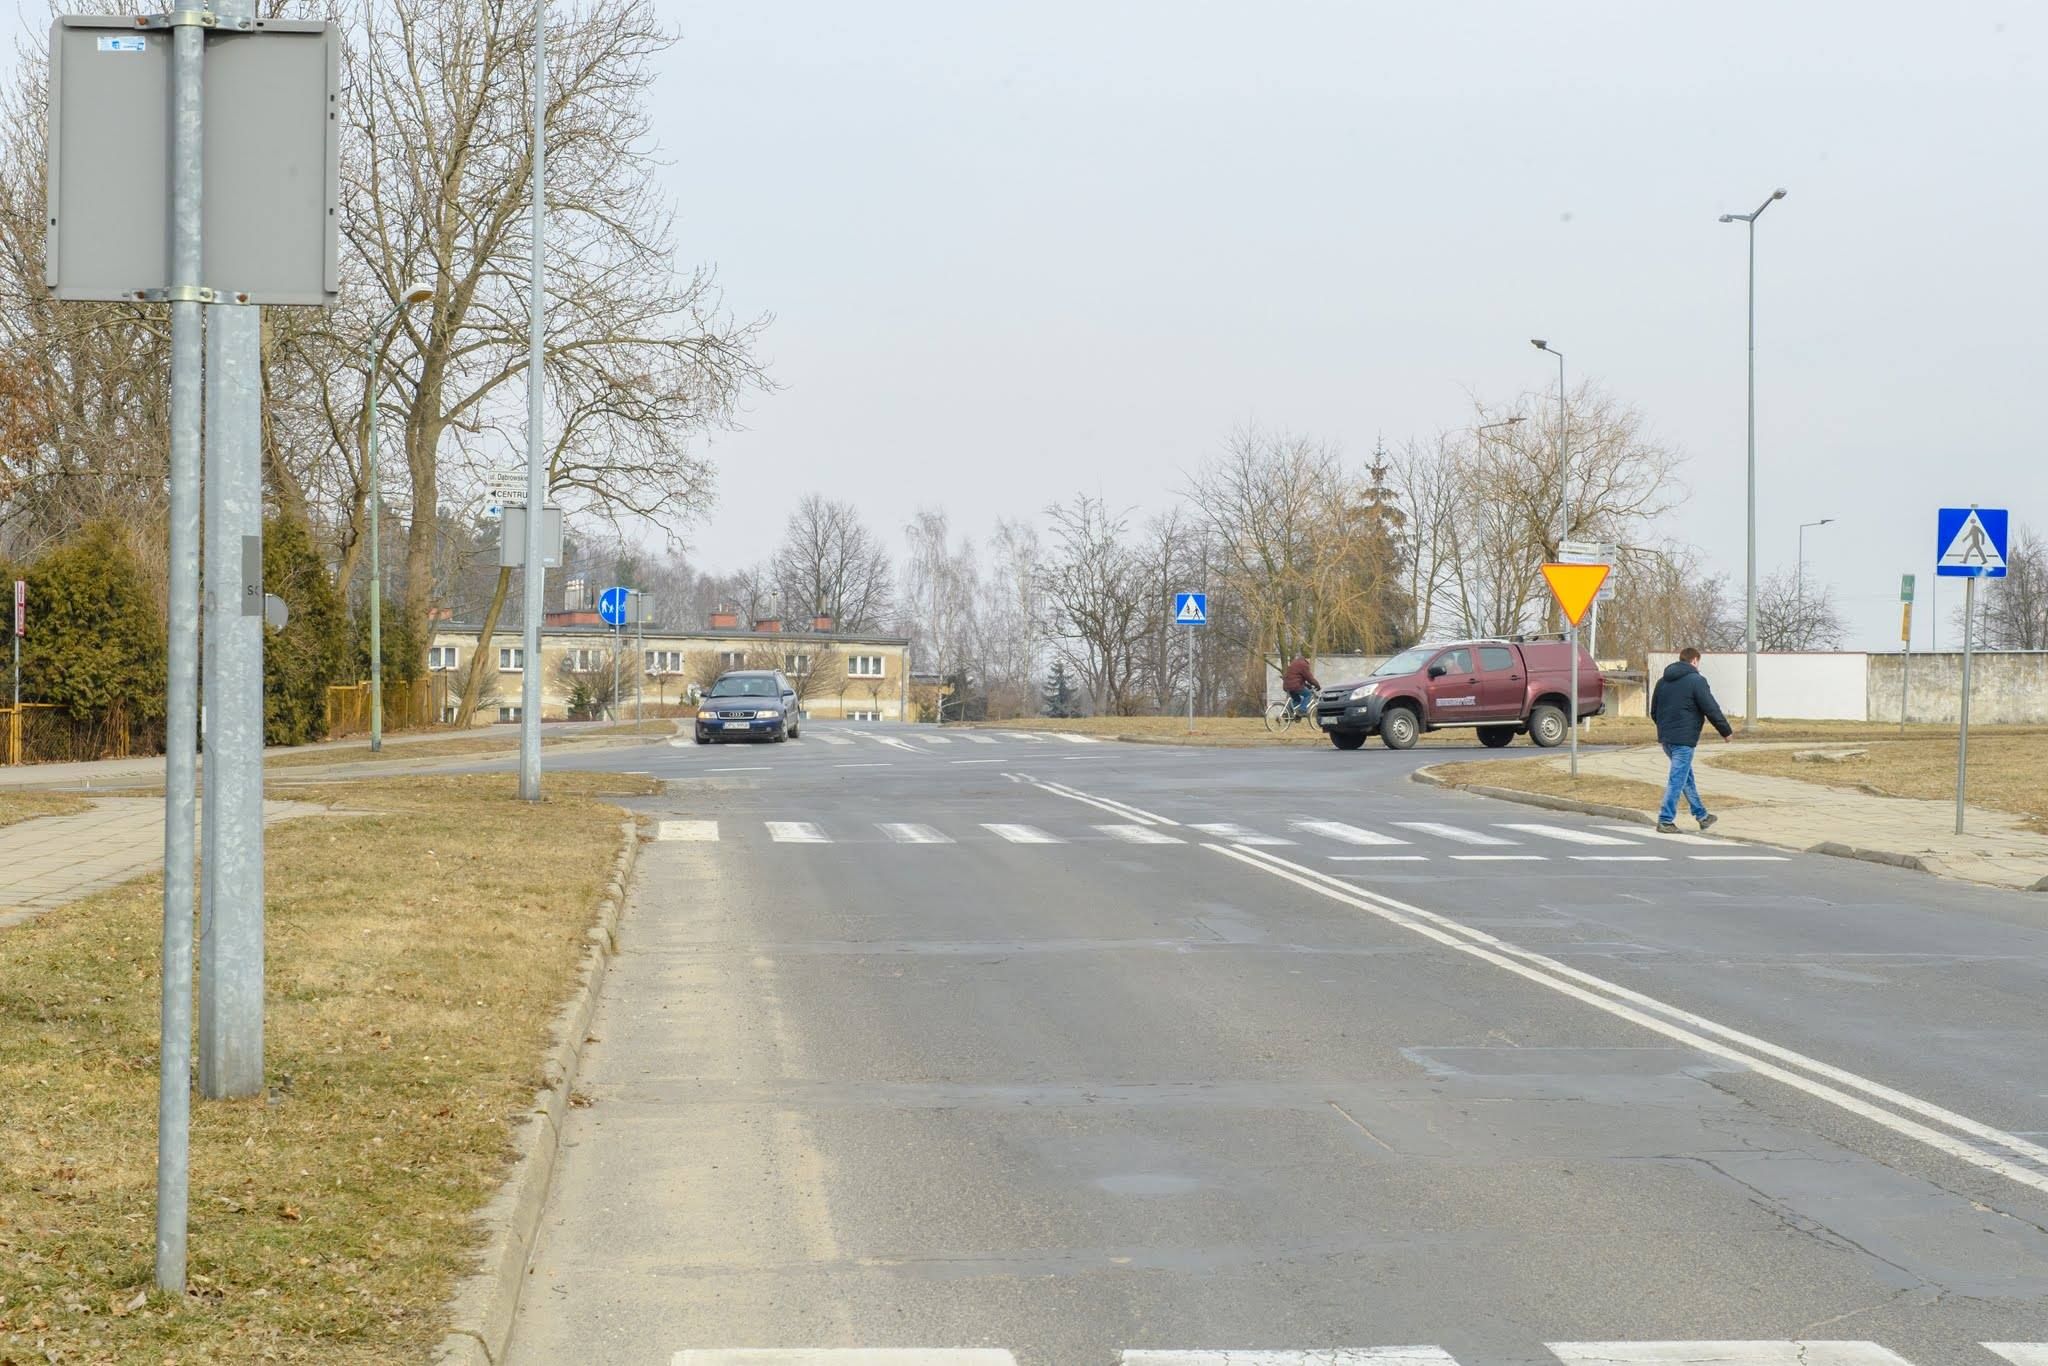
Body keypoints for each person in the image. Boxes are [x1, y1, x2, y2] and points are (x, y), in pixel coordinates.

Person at [1650, 646, 1732, 833]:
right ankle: (1665, 820)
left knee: (1685, 778)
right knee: (1677, 780)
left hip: (1667, 739)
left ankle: (1702, 816)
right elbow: (1711, 708)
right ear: (1694, 660)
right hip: (1684, 739)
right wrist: (1725, 731)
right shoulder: (1697, 681)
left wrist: (1664, 729)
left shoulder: (1662, 682)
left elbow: (1654, 711)